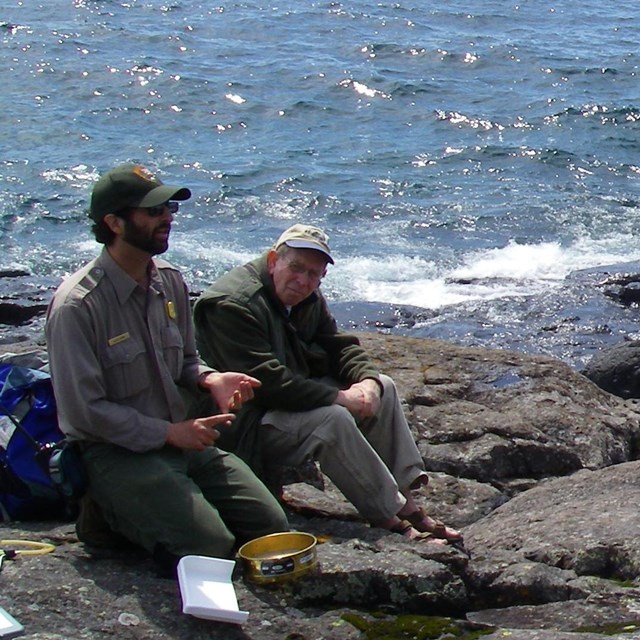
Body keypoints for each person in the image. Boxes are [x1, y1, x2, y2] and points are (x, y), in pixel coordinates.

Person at [45, 163, 288, 574]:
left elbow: (185, 361)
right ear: (114, 223)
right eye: (154, 211)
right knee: (210, 546)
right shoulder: (78, 306)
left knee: (270, 527)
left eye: (169, 207)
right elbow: (84, 411)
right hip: (116, 452)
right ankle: (106, 514)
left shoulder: (170, 282)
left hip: (181, 439)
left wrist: (211, 378)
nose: (168, 218)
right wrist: (168, 433)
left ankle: (155, 509)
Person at [193, 223, 463, 545]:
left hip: (287, 402)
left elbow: (338, 345)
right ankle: (393, 520)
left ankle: (407, 500)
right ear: (272, 261)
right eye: (296, 268)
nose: (304, 280)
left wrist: (367, 382)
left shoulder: (305, 295)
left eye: (314, 274)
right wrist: (340, 398)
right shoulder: (232, 304)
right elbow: (269, 383)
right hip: (246, 421)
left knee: (385, 387)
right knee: (331, 419)